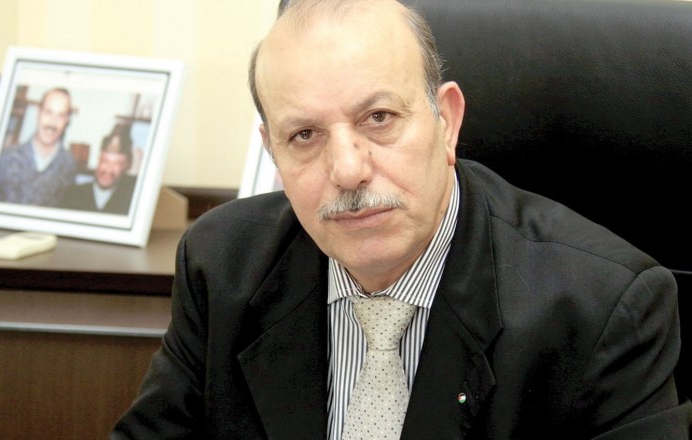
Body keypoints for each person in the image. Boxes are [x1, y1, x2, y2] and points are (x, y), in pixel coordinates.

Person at [112, 0, 692, 438]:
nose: (347, 170)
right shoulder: (220, 267)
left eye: (380, 118)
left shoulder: (602, 310)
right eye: (305, 135)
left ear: (447, 121)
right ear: (273, 154)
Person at [0, 87, 77, 207]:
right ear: (39, 113)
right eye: (48, 112)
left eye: (60, 115)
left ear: (67, 120)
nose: (52, 122)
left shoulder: (68, 164)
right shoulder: (6, 158)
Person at [60, 124, 136, 215]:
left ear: (126, 166)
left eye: (117, 163)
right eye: (105, 161)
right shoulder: (73, 194)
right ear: (98, 161)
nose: (108, 169)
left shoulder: (130, 201)